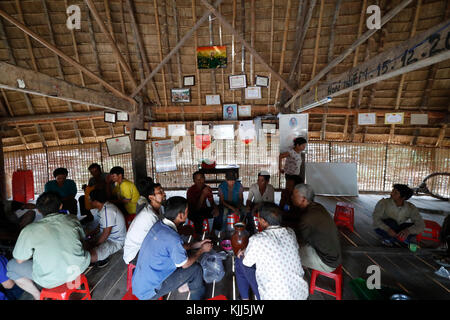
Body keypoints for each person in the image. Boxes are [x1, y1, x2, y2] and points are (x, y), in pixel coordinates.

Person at [6, 192, 90, 300]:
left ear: (39, 210)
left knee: (11, 266)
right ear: (60, 206)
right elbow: (82, 240)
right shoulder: (73, 219)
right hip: (79, 268)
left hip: (51, 280)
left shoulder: (29, 230)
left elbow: (19, 260)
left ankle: (37, 295)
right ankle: (74, 284)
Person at [132, 196, 213, 300]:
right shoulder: (172, 238)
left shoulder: (159, 225)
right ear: (180, 215)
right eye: (187, 211)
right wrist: (202, 250)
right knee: (196, 269)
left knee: (184, 256)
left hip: (140, 282)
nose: (188, 214)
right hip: (149, 291)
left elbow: (177, 247)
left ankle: (185, 284)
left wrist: (198, 244)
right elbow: (185, 264)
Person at [235, 202, 309, 300]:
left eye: (259, 219)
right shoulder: (290, 232)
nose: (258, 221)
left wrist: (244, 252)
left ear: (263, 221)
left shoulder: (257, 239)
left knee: (240, 260)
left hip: (273, 296)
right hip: (300, 294)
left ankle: (245, 299)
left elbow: (247, 263)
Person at [292, 184, 342, 273]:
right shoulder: (318, 206)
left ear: (303, 199)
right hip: (334, 256)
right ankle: (304, 264)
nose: (291, 197)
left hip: (327, 262)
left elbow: (299, 241)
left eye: (294, 196)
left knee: (289, 253)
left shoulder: (307, 218)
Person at [123, 180, 166, 265]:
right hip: (134, 254)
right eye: (160, 192)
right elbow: (158, 238)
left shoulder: (160, 209)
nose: (164, 193)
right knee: (165, 255)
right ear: (151, 197)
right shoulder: (148, 215)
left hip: (144, 246)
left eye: (163, 191)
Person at [373, 184, 425, 249]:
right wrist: (387, 229)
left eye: (395, 192)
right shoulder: (383, 203)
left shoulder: (410, 207)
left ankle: (392, 240)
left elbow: (421, 224)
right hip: (382, 228)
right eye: (392, 191)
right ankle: (402, 241)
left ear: (403, 197)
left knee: (414, 226)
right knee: (392, 222)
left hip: (398, 228)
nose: (391, 193)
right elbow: (376, 219)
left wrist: (408, 231)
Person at [86, 189, 127, 268]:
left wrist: (95, 245)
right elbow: (102, 226)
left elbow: (106, 233)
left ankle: (100, 258)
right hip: (108, 238)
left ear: (95, 201)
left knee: (90, 256)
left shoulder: (108, 211)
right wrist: (92, 234)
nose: (89, 201)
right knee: (86, 242)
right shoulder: (104, 207)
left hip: (115, 242)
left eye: (90, 199)